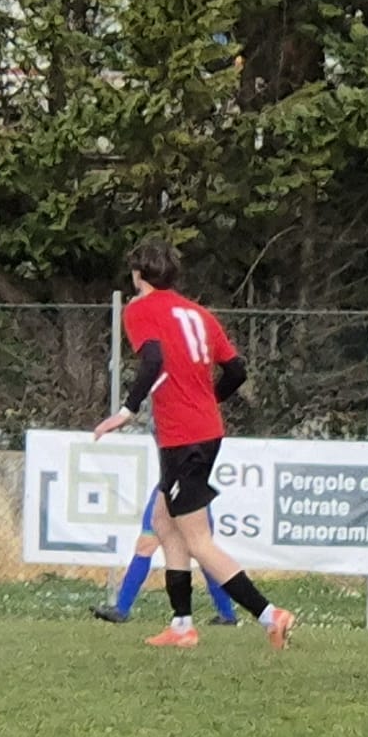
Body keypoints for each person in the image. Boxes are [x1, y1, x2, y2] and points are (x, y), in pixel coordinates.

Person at [91, 239, 296, 650]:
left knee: (198, 539)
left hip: (183, 436)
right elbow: (236, 371)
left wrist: (127, 411)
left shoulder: (141, 309)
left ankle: (270, 615)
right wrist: (207, 401)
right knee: (165, 523)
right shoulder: (200, 314)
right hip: (202, 430)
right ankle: (182, 624)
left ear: (138, 275)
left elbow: (153, 360)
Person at [91, 487, 238, 626]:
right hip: (172, 491)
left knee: (202, 553)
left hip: (188, 491)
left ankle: (227, 614)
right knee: (146, 546)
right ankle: (121, 609)